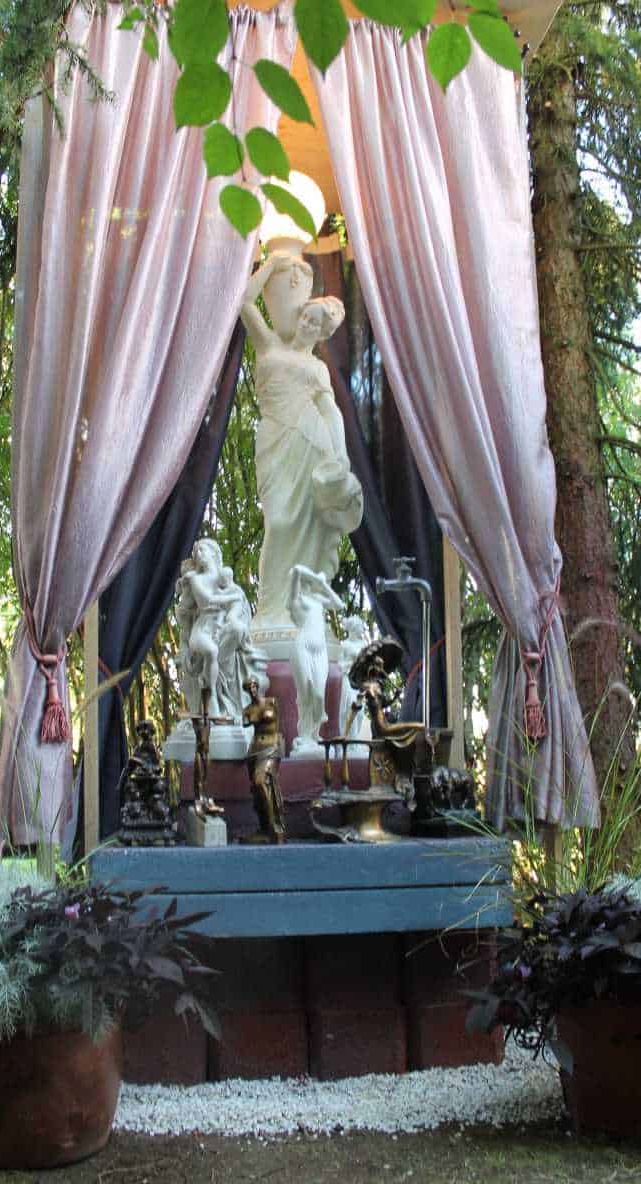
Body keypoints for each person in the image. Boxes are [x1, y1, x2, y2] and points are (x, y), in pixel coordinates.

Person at [240, 252, 363, 631]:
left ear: (322, 333)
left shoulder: (317, 369)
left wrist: (340, 456)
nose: (308, 324)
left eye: (316, 324)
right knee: (277, 522)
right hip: (275, 440)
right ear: (299, 317)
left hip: (312, 443)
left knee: (303, 527)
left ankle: (297, 610)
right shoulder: (269, 346)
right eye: (306, 317)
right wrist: (271, 264)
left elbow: (331, 412)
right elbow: (243, 301)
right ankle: (269, 609)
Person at [174, 538, 260, 722]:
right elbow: (200, 604)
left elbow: (239, 604)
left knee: (237, 629)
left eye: (202, 550)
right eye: (196, 552)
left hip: (221, 628)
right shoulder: (195, 579)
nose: (198, 554)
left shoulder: (226, 579)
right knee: (211, 651)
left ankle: (223, 692)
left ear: (215, 553)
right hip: (204, 628)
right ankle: (211, 695)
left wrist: (234, 608)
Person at [287, 563, 344, 754]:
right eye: (304, 582)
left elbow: (339, 604)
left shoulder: (318, 600)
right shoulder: (295, 600)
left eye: (307, 582)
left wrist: (323, 584)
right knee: (306, 694)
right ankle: (304, 736)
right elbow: (296, 570)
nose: (305, 584)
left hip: (321, 651)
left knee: (319, 694)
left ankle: (314, 735)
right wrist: (315, 577)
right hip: (302, 648)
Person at [242, 678, 285, 844]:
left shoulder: (271, 702)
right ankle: (264, 827)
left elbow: (278, 726)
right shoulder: (247, 710)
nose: (252, 689)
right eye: (248, 687)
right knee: (256, 790)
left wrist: (278, 747)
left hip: (272, 748)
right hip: (254, 752)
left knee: (261, 782)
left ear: (257, 687)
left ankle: (275, 826)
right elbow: (246, 723)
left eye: (253, 686)